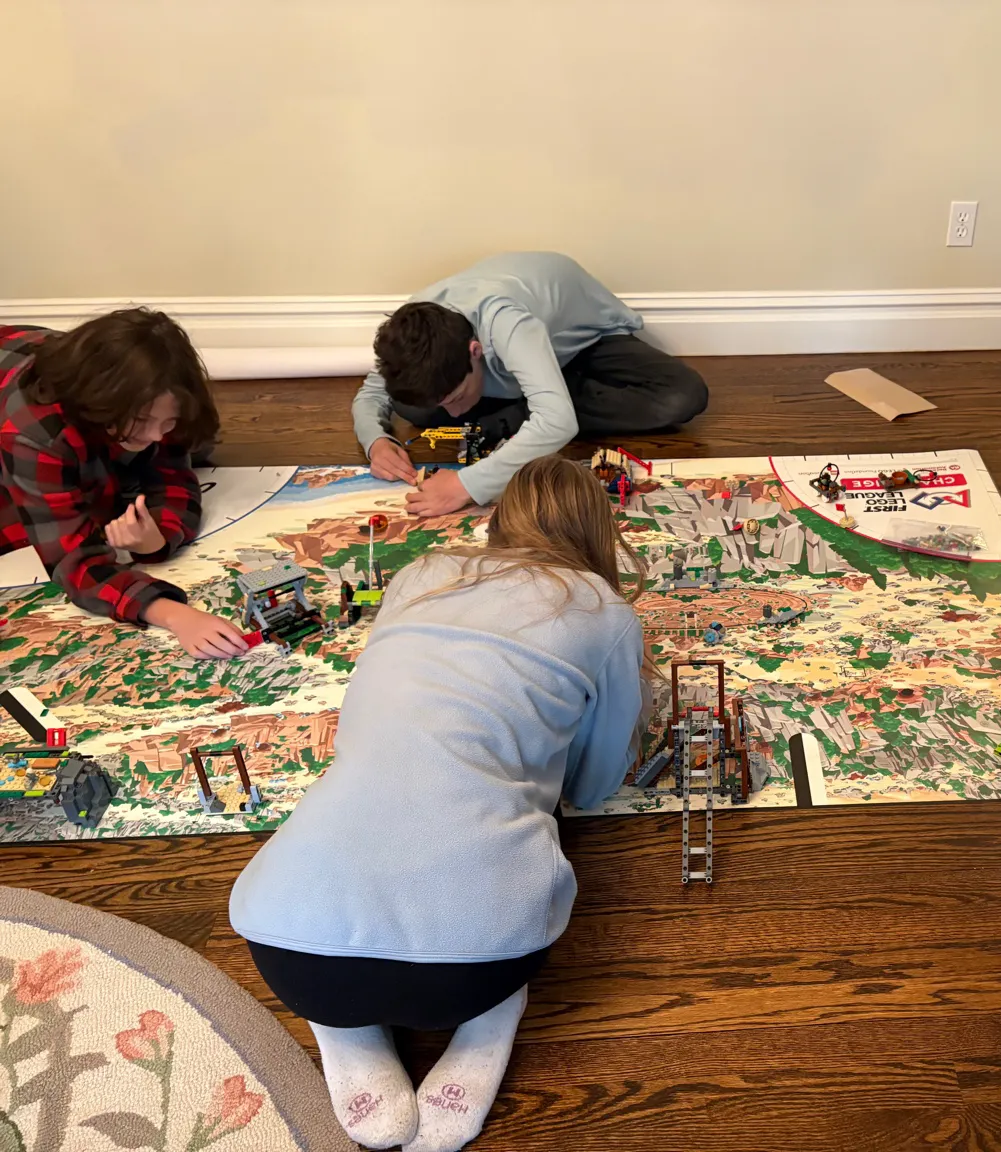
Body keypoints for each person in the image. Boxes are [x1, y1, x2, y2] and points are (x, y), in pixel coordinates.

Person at [229, 455, 650, 1152]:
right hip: (481, 964)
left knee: (335, 892)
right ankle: (490, 1019)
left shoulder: (420, 574)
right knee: (504, 918)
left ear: (500, 517)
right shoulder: (603, 610)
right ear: (596, 529)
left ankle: (344, 1026)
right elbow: (596, 785)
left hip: (286, 950)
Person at [352, 251, 709, 516]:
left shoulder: (505, 321)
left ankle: (530, 405)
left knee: (680, 397)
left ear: (474, 351)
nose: (455, 412)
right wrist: (377, 442)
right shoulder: (413, 329)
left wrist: (466, 484)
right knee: (410, 404)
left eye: (458, 396)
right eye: (448, 402)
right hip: (514, 366)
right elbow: (371, 393)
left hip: (580, 345)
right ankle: (534, 402)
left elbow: (559, 422)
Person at [0, 311, 247, 658]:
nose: (155, 436)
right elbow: (75, 561)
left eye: (168, 422)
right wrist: (176, 615)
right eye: (143, 421)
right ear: (101, 404)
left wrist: (157, 539)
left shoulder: (152, 393)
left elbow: (175, 476)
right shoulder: (32, 435)